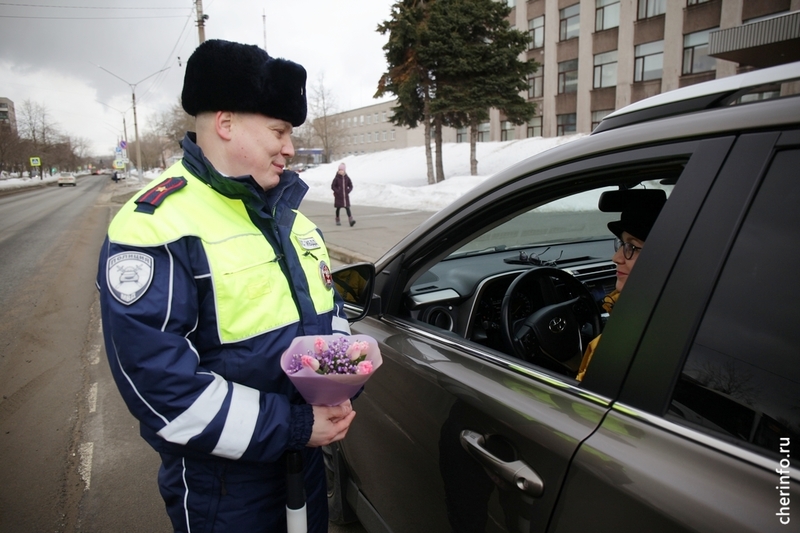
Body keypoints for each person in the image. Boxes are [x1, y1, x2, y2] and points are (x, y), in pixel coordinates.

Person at [96, 39, 356, 533]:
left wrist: (338, 386)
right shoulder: (155, 225)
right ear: (226, 122)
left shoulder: (292, 220)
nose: (290, 148)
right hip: (226, 495)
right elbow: (160, 390)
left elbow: (331, 313)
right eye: (279, 130)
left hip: (306, 470)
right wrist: (296, 425)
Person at [576, 190, 666, 382]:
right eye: (622, 244)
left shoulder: (621, 346)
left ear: (663, 256)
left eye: (631, 247)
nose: (616, 258)